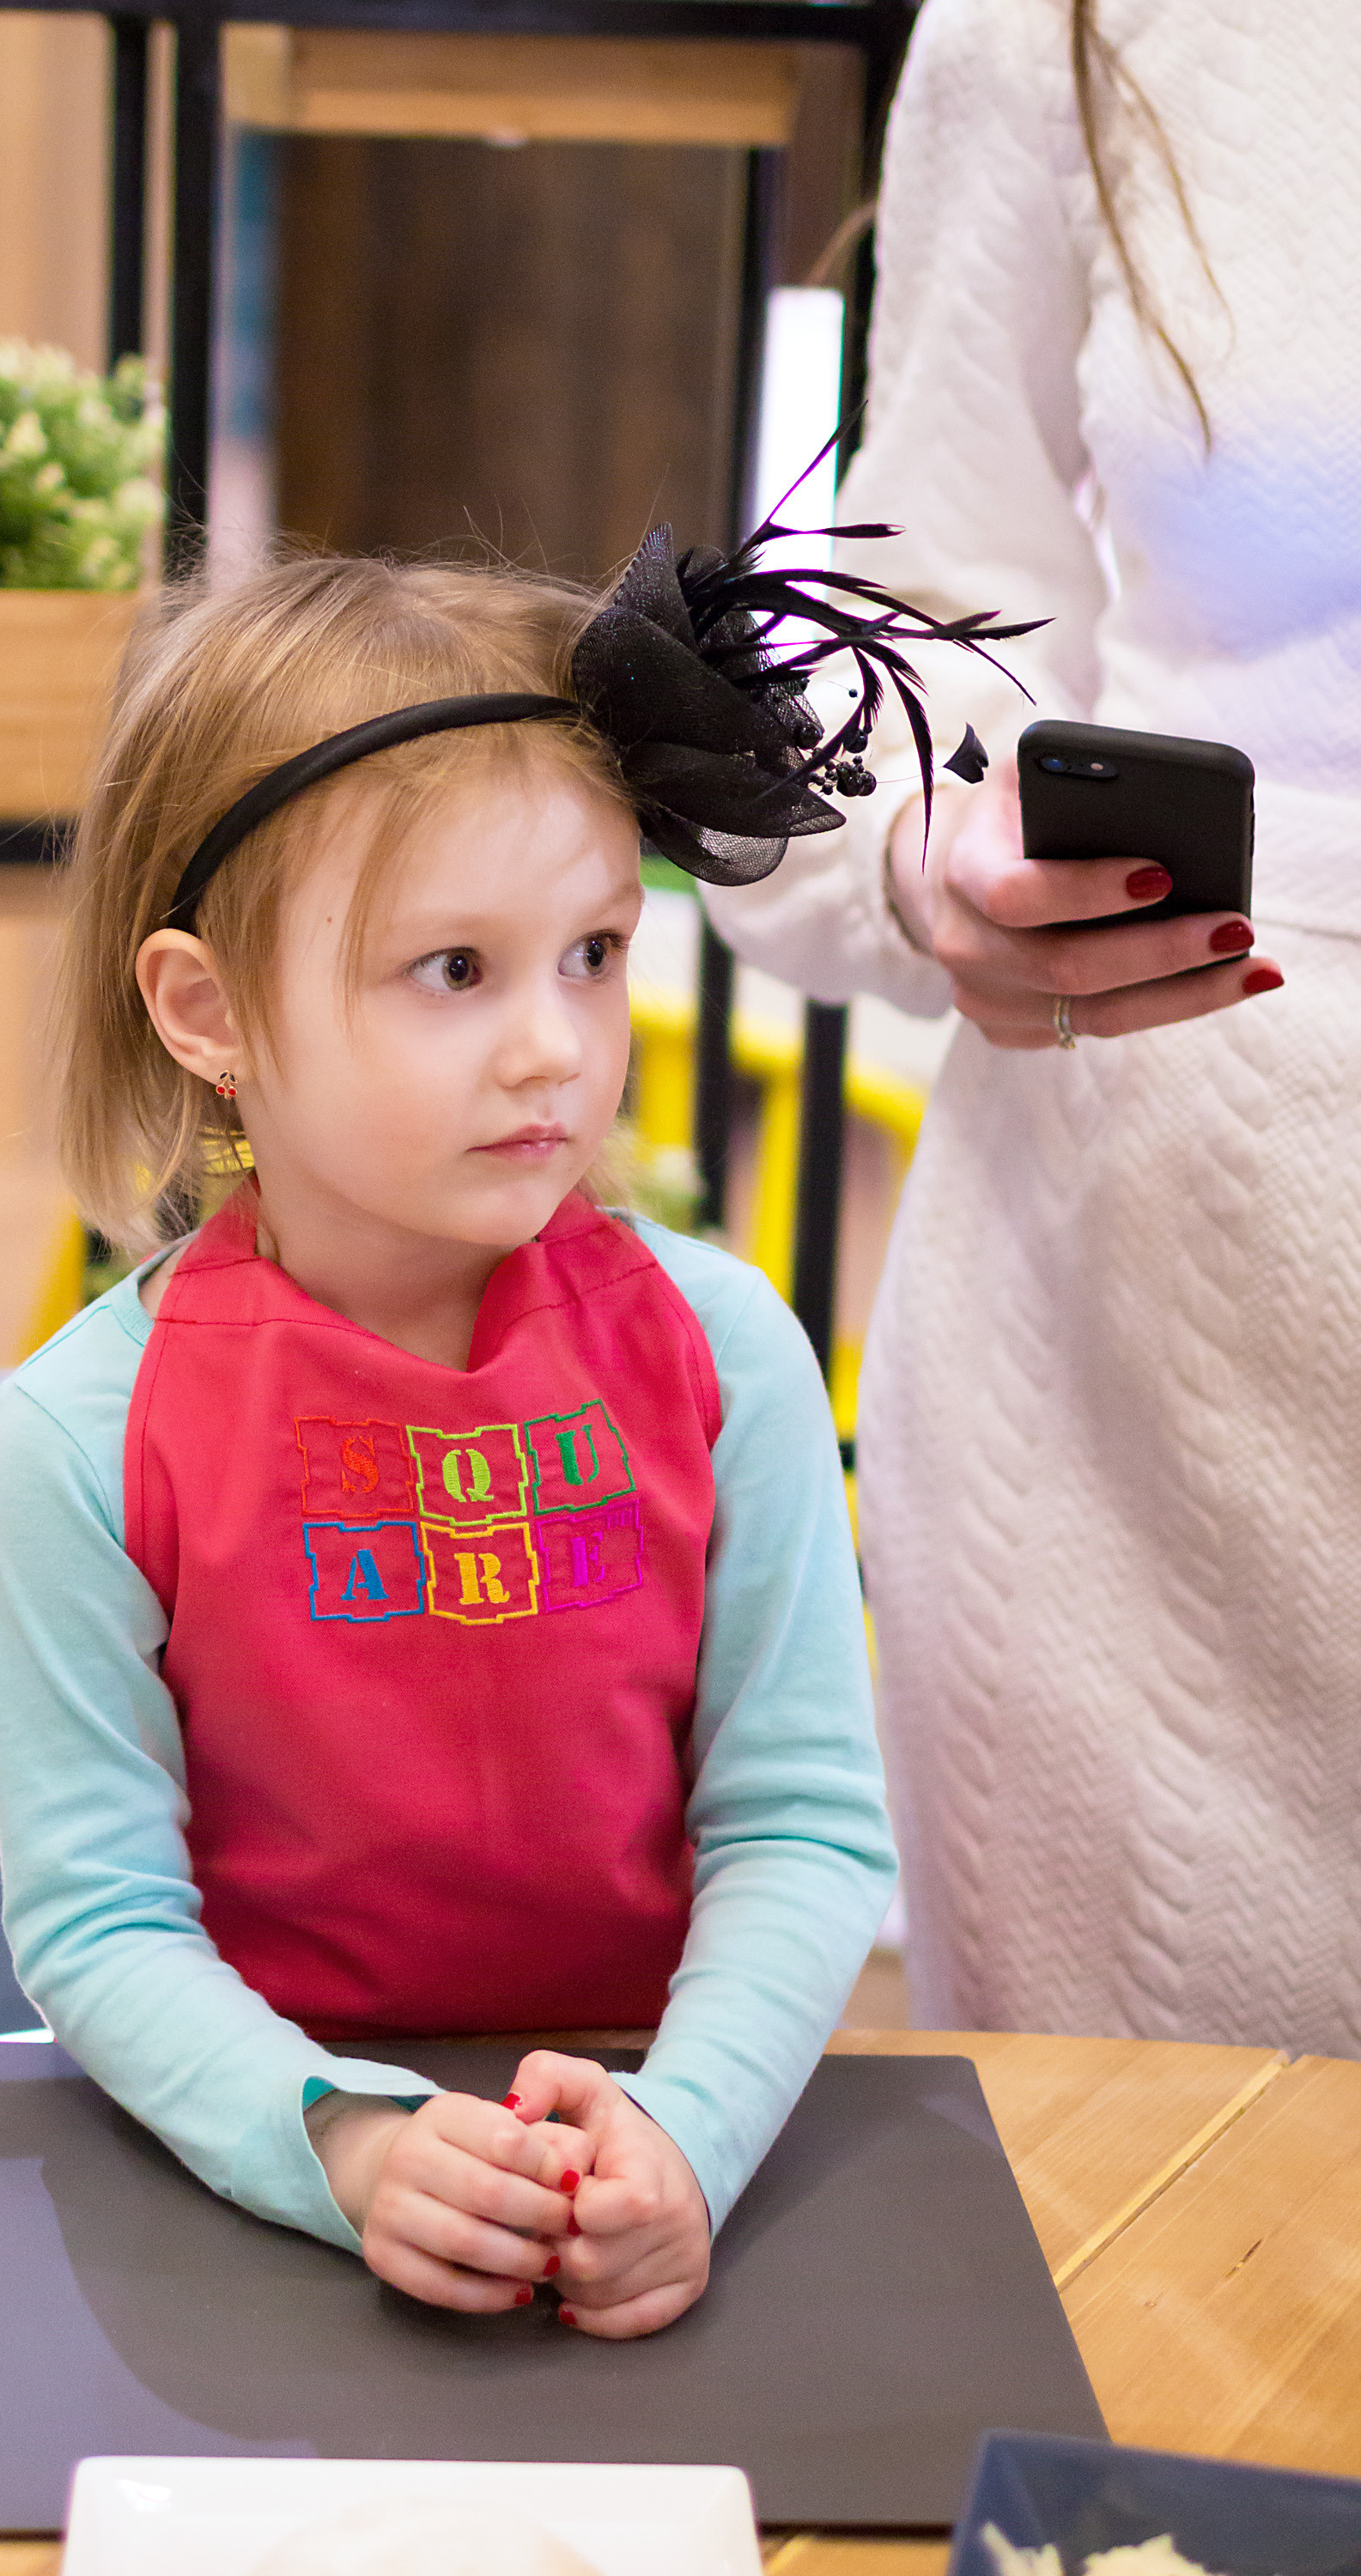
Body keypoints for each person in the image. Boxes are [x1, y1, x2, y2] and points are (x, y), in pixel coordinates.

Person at [0, 544, 920, 2342]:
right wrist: (344, 2142)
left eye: (593, 953)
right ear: (208, 1015)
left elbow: (800, 1829)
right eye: (453, 970)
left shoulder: (727, 1358)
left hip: (647, 2152)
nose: (555, 1047)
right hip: (255, 2180)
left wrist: (686, 2133)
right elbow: (97, 1927)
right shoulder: (82, 1437)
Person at [703, 0, 1361, 2055]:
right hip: (1171, 1342)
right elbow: (904, 646)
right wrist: (934, 862)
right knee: (1142, 2288)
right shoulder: (1074, 24)